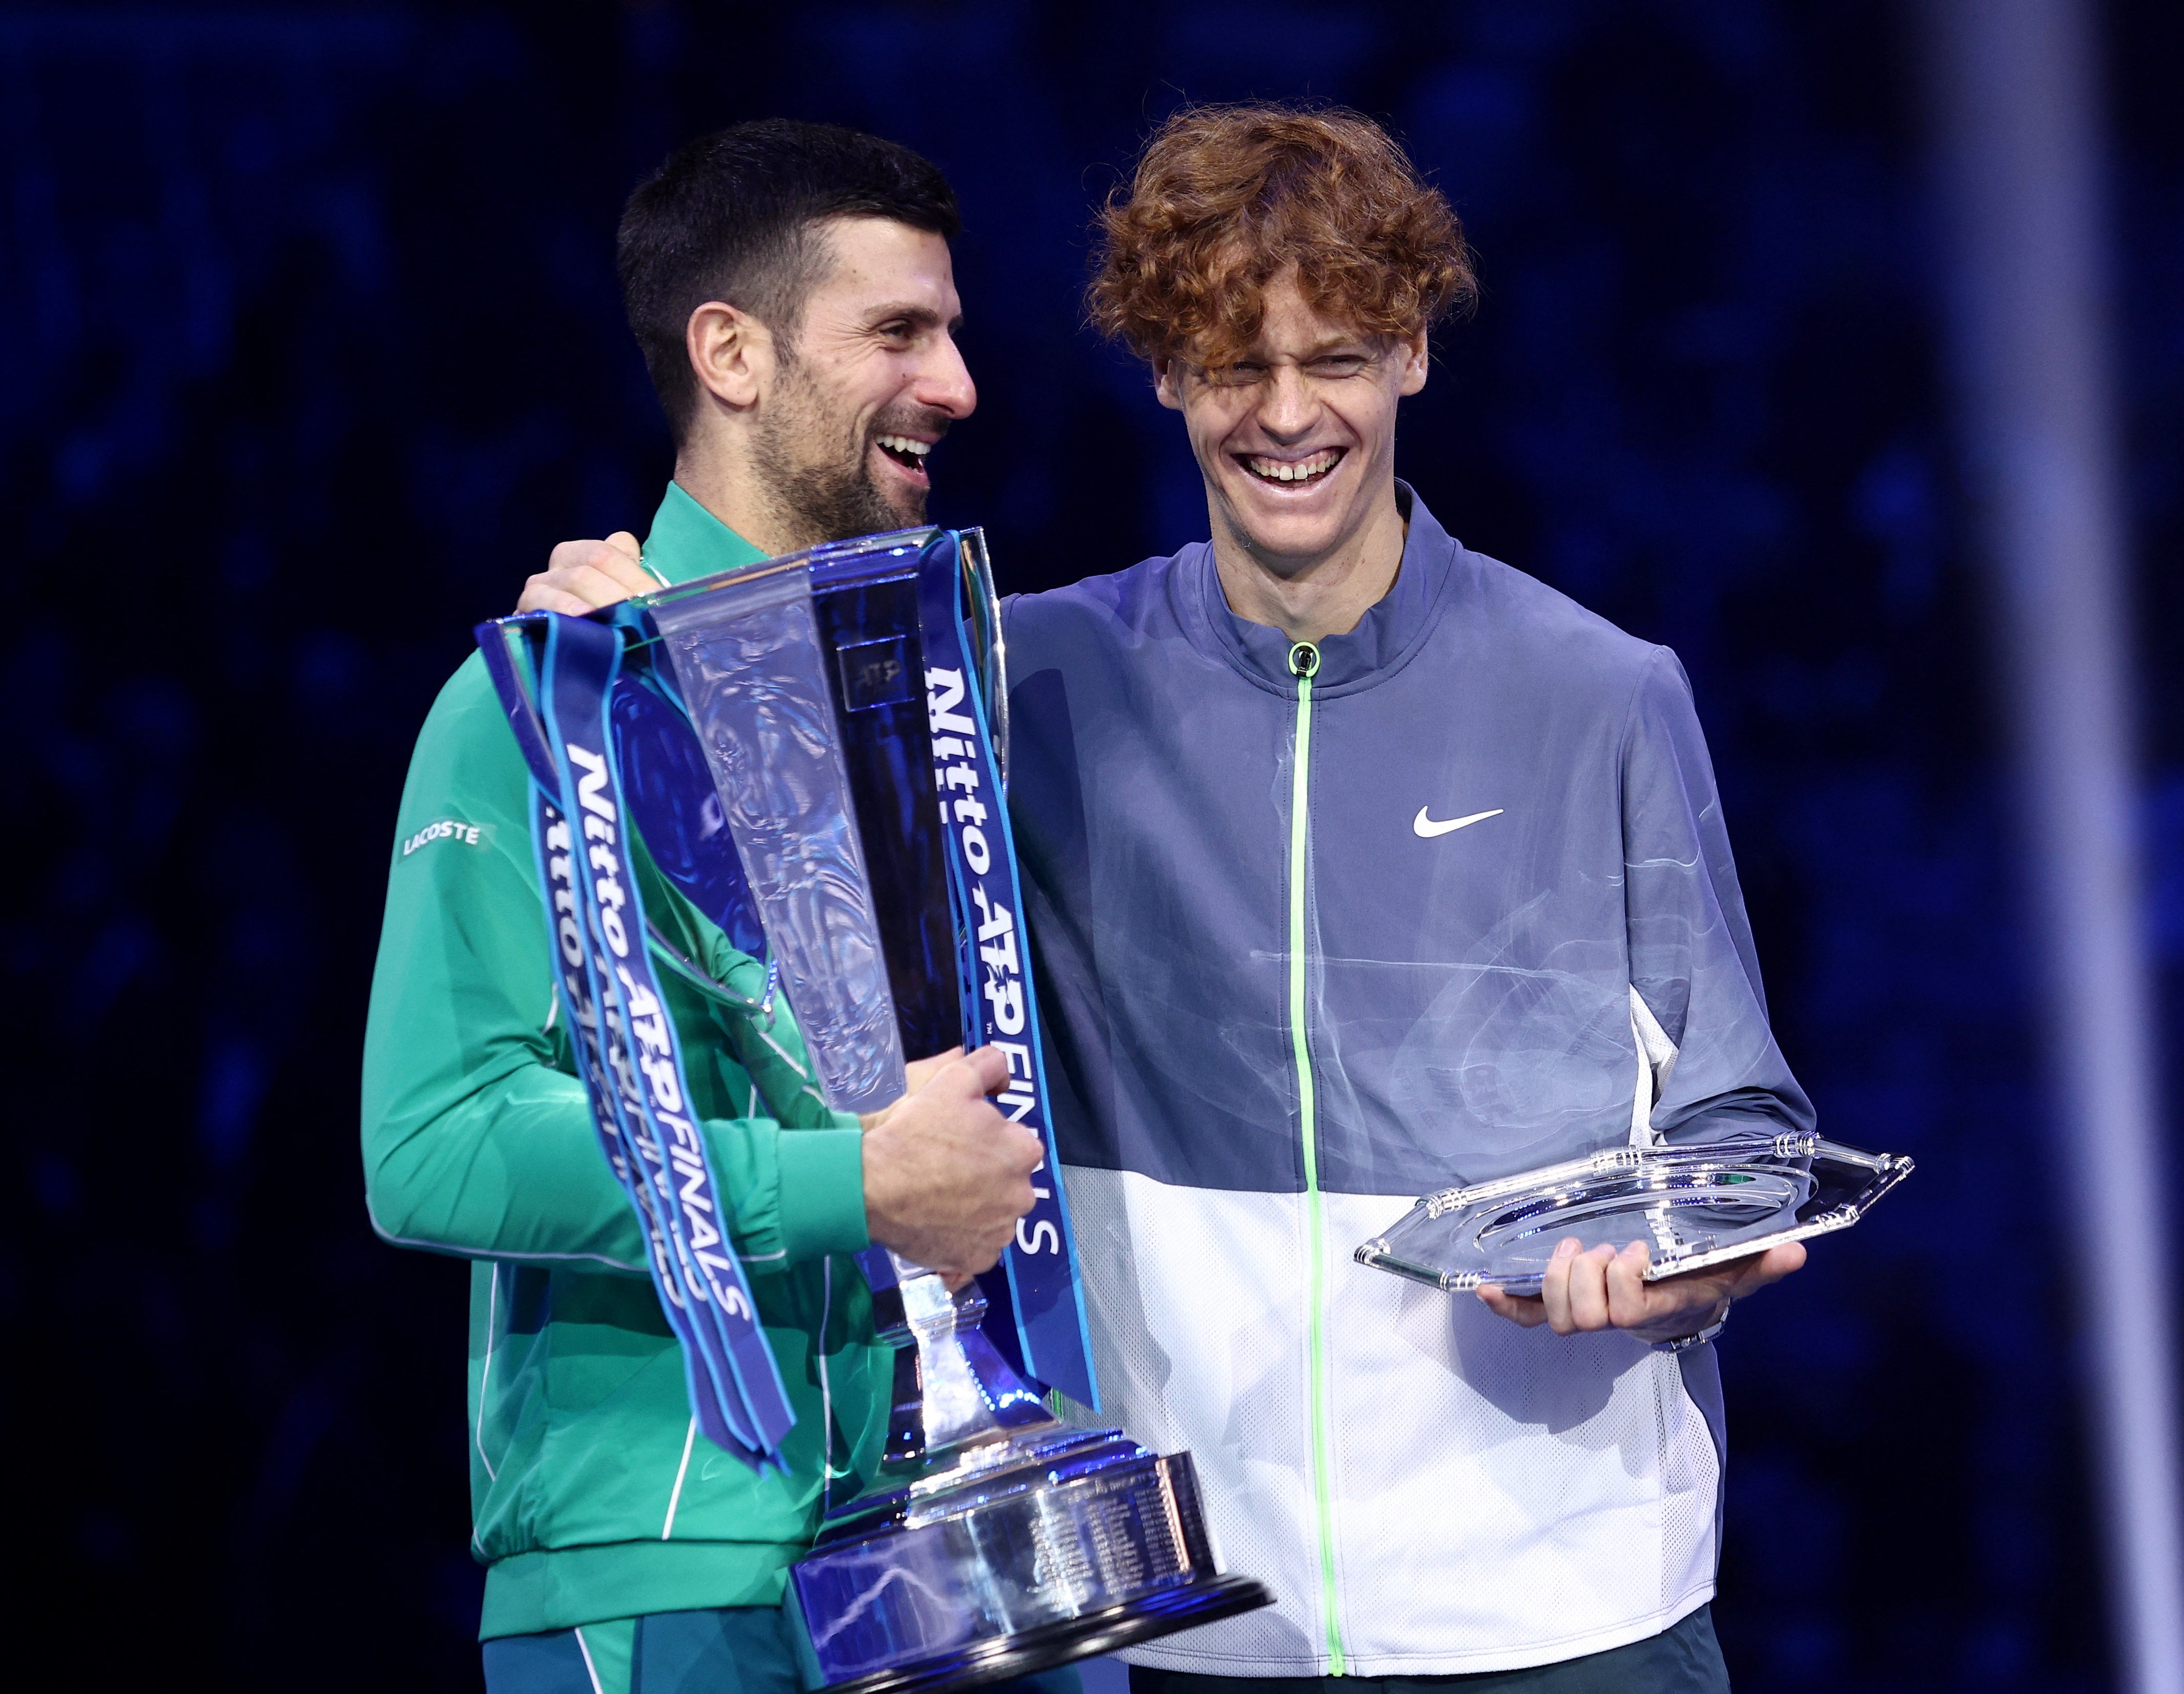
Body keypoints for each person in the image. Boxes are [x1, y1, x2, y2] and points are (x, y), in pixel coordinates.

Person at [530, 106, 1815, 1693]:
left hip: (1568, 1614)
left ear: (1411, 353)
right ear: (1163, 370)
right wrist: (623, 645)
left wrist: (1677, 1271)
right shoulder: (1026, 677)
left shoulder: (1600, 693)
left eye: (1337, 358)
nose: (1287, 416)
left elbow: (1742, 1129)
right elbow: (789, 853)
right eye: (1233, 365)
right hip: (1205, 1628)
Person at [361, 120, 1053, 1694]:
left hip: (978, 1545)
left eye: (951, 330)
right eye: (899, 331)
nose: (955, 385)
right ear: (730, 352)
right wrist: (853, 1184)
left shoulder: (943, 695)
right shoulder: (544, 707)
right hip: (675, 1566)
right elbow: (436, 1142)